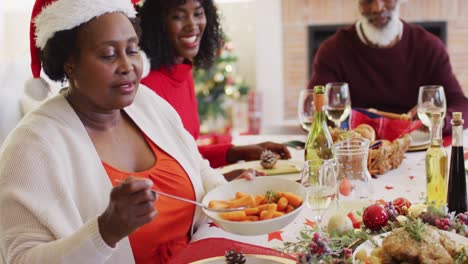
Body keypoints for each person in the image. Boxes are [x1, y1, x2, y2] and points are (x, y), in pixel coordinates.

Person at [0, 0, 255, 263]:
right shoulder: (31, 146)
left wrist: (226, 194)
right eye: (109, 55)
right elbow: (21, 258)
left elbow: (198, 168)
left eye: (132, 50)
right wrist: (105, 231)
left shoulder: (148, 103)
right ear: (69, 63)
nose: (127, 66)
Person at [138, 0, 291, 170]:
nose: (192, 24)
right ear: (158, 24)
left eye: (198, 13)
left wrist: (238, 152)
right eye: (179, 16)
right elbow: (169, 165)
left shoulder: (184, 72)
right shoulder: (145, 86)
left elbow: (188, 154)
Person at [308, 0, 468, 134]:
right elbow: (312, 111)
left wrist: (439, 121)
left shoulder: (429, 46)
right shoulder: (332, 50)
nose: (377, 7)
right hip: (357, 147)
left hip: (416, 145)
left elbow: (462, 105)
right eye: (368, 0)